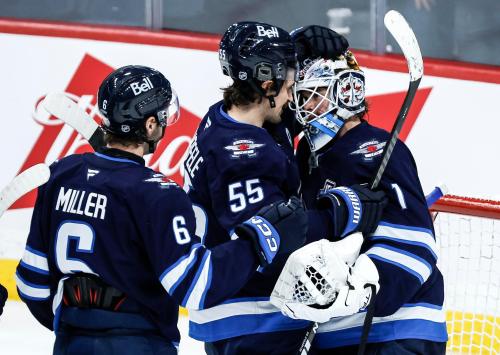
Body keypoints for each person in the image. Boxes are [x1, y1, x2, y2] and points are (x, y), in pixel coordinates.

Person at [15, 65, 309, 355]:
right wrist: (259, 239)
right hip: (138, 342)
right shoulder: (157, 193)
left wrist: (77, 326)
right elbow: (196, 285)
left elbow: (32, 285)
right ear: (151, 125)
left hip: (69, 340)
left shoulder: (61, 175)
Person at [183, 21, 387, 354]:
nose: (295, 97)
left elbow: (294, 115)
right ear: (267, 85)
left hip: (234, 316)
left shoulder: (224, 118)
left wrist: (303, 43)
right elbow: (276, 236)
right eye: (291, 87)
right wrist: (344, 210)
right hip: (253, 316)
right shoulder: (243, 156)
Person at [284, 26, 447, 354]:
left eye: (312, 95)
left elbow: (417, 243)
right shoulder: (307, 155)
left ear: (345, 93)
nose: (300, 106)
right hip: (337, 332)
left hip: (396, 330)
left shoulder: (376, 149)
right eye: (300, 96)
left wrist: (368, 282)